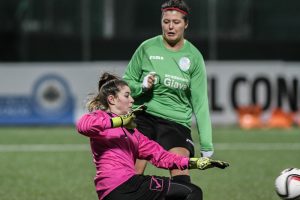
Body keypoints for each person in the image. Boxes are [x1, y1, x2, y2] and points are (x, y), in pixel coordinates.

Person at [76, 72, 229, 200]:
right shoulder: (101, 118)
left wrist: (195, 162)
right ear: (112, 99)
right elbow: (83, 126)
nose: (132, 100)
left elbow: (162, 157)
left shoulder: (134, 134)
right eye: (127, 95)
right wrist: (120, 121)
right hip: (125, 185)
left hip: (116, 192)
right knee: (192, 192)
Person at [123, 0, 213, 183]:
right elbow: (125, 84)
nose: (170, 27)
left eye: (176, 22)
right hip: (143, 117)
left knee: (181, 177)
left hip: (176, 122)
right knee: (130, 176)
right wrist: (142, 86)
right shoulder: (147, 47)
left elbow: (200, 102)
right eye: (166, 21)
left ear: (186, 24)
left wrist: (206, 144)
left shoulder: (194, 57)